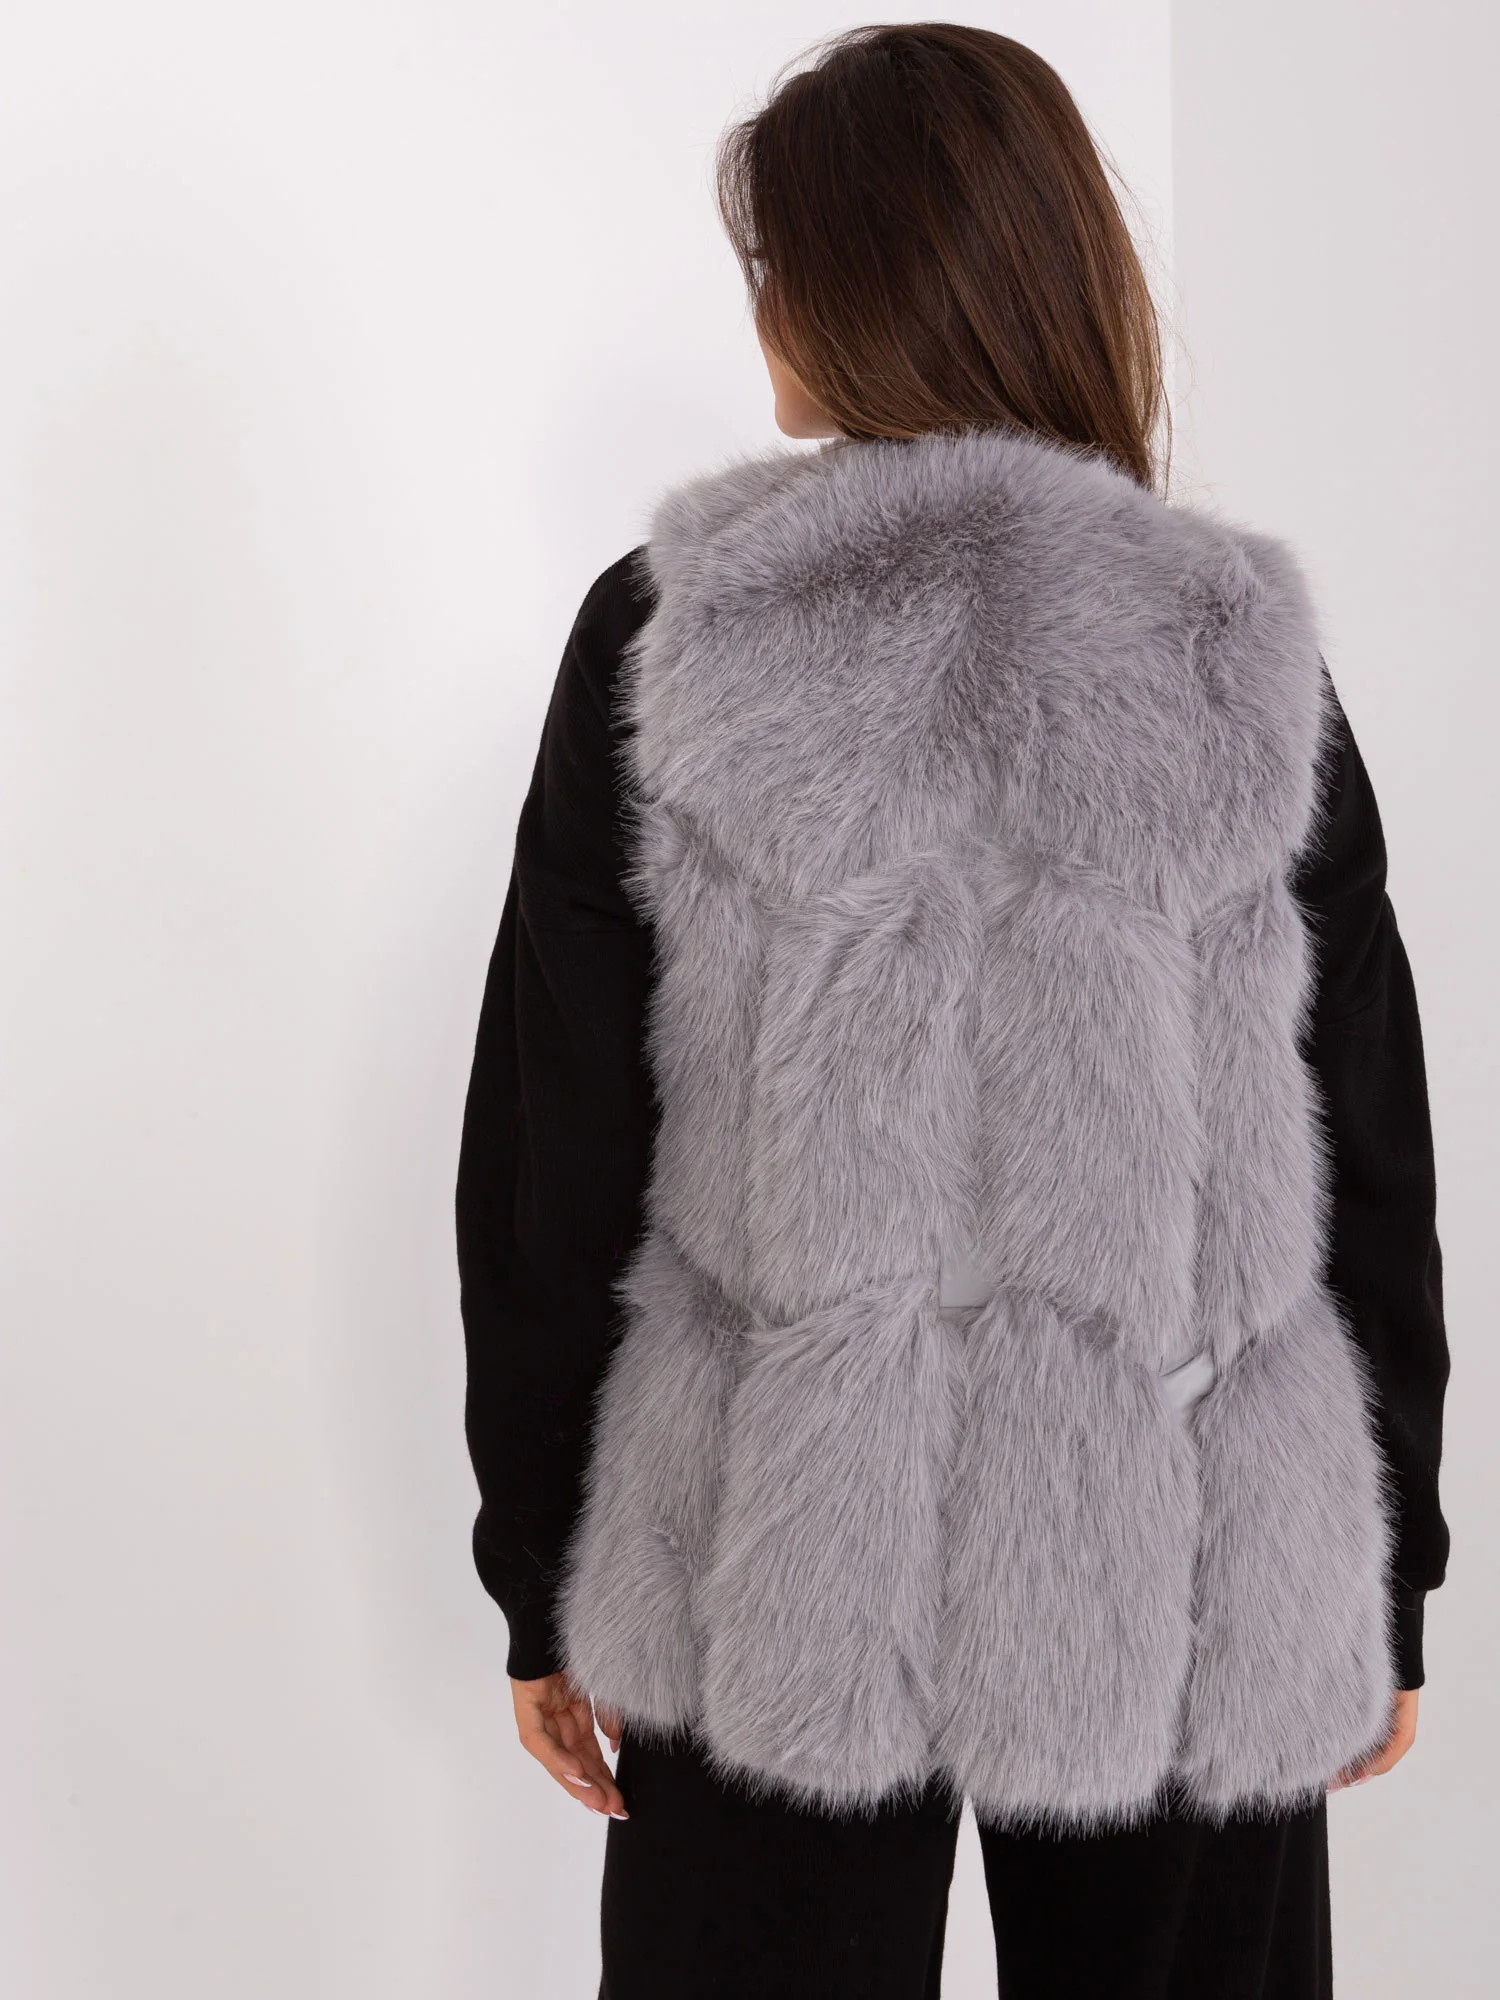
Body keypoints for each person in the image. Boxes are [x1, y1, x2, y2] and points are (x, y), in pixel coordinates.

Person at [456, 24, 1449, 1998]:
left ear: (857, 286)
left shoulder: (673, 635)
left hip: (773, 1549)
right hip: (1176, 1540)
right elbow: (1368, 1130)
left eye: (774, 266)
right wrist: (1389, 1564)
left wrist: (546, 1571)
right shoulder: (1234, 647)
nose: (760, 316)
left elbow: (557, 1144)